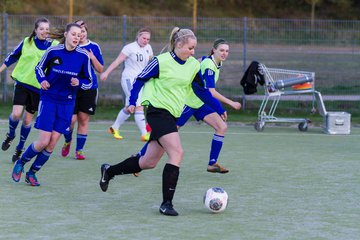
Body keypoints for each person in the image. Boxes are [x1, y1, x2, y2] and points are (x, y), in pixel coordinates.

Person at [99, 27, 226, 216]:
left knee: (148, 162)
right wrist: (133, 101)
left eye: (194, 48)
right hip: (157, 112)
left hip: (172, 114)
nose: (193, 52)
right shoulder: (161, 61)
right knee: (177, 152)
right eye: (190, 48)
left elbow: (201, 90)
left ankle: (109, 171)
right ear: (179, 45)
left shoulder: (192, 65)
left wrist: (219, 107)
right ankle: (166, 203)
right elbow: (140, 80)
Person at [11, 23, 92, 186]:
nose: (77, 37)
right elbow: (39, 68)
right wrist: (43, 80)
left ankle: (32, 173)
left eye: (79, 35)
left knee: (53, 143)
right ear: (66, 35)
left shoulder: (83, 56)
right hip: (49, 100)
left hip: (67, 103)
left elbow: (88, 81)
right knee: (43, 141)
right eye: (74, 34)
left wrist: (79, 82)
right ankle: (21, 162)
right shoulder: (53, 51)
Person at [177, 38, 241, 173]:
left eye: (227, 51)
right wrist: (230, 103)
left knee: (221, 127)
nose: (224, 53)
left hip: (200, 103)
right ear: (214, 50)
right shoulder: (209, 66)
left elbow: (201, 60)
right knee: (168, 132)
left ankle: (212, 163)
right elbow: (211, 92)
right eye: (221, 50)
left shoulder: (214, 61)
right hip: (188, 102)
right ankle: (140, 157)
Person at [0, 17, 58, 163]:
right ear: (35, 30)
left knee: (27, 120)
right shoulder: (27, 41)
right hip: (22, 84)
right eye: (41, 28)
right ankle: (11, 134)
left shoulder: (54, 46)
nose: (45, 31)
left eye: (47, 28)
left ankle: (20, 148)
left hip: (38, 89)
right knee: (16, 114)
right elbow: (12, 57)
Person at [61, 20, 104, 160]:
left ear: (86, 33)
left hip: (88, 88)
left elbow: (100, 69)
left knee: (83, 119)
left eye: (83, 31)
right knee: (70, 119)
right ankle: (67, 140)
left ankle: (79, 150)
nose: (80, 34)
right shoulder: (70, 46)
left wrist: (92, 57)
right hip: (71, 86)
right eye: (77, 32)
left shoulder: (94, 47)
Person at [100, 27, 153, 142]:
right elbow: (117, 61)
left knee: (130, 108)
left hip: (141, 81)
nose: (146, 41)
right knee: (138, 105)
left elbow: (151, 62)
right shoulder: (129, 48)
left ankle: (114, 128)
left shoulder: (148, 48)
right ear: (138, 36)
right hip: (129, 79)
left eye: (148, 39)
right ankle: (145, 134)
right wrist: (106, 73)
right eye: (143, 38)